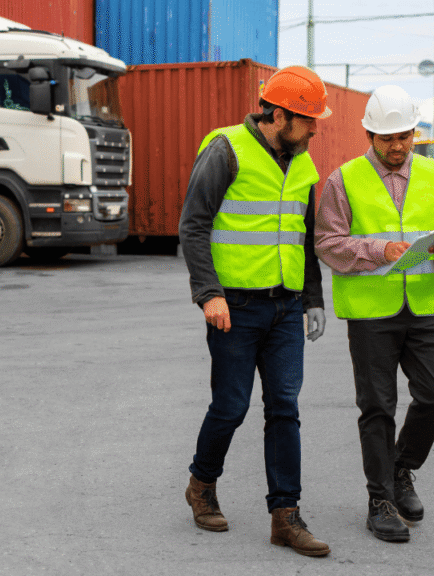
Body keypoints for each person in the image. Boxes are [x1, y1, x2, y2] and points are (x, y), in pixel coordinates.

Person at [314, 85, 434, 543]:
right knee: (377, 407)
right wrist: (378, 249)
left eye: (404, 136)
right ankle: (380, 500)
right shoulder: (343, 181)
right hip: (371, 314)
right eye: (387, 138)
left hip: (425, 307)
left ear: (414, 132)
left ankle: (401, 468)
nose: (397, 146)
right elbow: (327, 243)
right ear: (369, 135)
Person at [179, 65, 331, 557]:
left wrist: (312, 298)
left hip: (286, 307)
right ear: (279, 115)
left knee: (285, 408)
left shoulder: (303, 163)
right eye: (309, 119)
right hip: (235, 307)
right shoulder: (226, 150)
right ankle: (202, 484)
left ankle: (285, 516)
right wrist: (209, 293)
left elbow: (304, 237)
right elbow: (193, 225)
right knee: (231, 406)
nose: (315, 129)